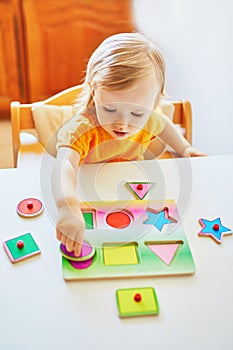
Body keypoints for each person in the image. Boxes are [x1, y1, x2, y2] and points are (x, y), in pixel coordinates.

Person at [52, 32, 206, 256]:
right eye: (110, 110)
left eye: (136, 113)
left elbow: (163, 125)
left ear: (155, 103)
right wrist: (67, 206)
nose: (123, 123)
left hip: (130, 196)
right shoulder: (81, 130)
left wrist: (184, 148)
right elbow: (64, 166)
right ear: (94, 92)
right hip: (88, 196)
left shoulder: (149, 119)